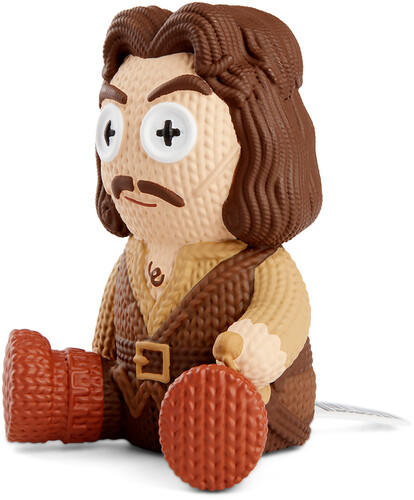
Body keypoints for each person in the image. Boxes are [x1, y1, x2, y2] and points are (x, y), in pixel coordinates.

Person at [3, 2, 322, 489]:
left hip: (246, 403)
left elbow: (284, 312)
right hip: (133, 402)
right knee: (78, 384)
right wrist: (100, 359)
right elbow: (108, 329)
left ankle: (214, 434)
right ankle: (56, 394)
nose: (128, 166)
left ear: (260, 138)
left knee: (220, 406)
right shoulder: (135, 253)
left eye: (167, 133)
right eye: (112, 132)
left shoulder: (260, 267)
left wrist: (252, 348)